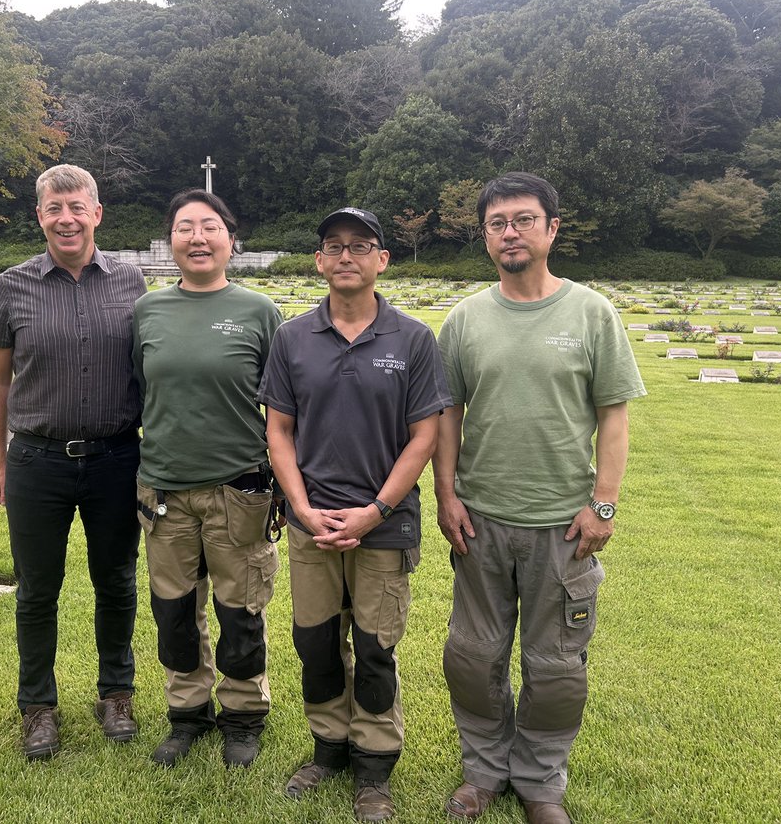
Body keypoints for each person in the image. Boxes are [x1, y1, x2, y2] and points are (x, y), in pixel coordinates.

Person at [434, 174, 646, 824]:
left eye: (524, 220)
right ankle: (484, 772)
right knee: (473, 656)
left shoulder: (591, 313)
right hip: (481, 521)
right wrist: (445, 494)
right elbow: (447, 414)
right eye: (498, 223)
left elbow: (614, 414)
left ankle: (540, 782)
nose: (510, 233)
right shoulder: (465, 319)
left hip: (564, 527)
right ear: (484, 236)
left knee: (555, 666)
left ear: (553, 229)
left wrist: (603, 503)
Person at [259, 207, 452, 822]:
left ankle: (374, 768)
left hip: (384, 526)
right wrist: (302, 508)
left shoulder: (413, 339)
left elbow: (424, 436)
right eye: (334, 246)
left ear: (381, 260)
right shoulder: (292, 339)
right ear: (318, 260)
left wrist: (374, 510)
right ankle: (328, 748)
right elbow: (279, 433)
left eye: (361, 246)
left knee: (373, 646)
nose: (347, 256)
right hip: (310, 522)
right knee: (315, 642)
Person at [0, 163, 147, 760]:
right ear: (40, 217)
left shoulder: (131, 283)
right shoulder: (12, 286)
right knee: (36, 590)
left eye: (77, 207)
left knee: (117, 582)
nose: (67, 219)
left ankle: (116, 693)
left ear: (97, 214)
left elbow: (148, 372)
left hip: (116, 459)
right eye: (55, 208)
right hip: (37, 460)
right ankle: (38, 707)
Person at [132, 188, 282, 769]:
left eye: (210, 227)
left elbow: (283, 408)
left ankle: (243, 714)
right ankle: (187, 713)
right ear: (171, 240)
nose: (197, 237)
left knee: (240, 609)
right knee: (174, 611)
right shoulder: (148, 312)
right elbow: (141, 394)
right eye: (185, 227)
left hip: (237, 491)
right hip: (164, 490)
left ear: (230, 238)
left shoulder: (259, 312)